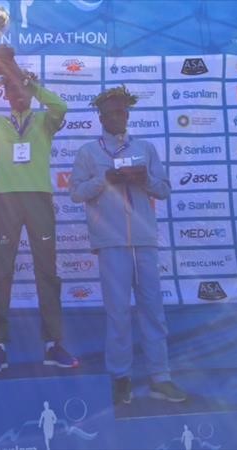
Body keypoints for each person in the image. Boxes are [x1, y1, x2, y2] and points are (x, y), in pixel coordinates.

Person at [0, 46, 78, 373]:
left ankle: (53, 344)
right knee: (2, 273)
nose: (19, 94)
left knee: (47, 272)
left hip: (39, 200)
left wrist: (29, 81)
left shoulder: (45, 121)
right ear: (5, 95)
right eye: (12, 90)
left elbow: (61, 106)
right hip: (6, 202)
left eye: (22, 89)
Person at [69, 85, 187, 404]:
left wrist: (143, 179)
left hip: (145, 240)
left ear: (128, 114)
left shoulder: (145, 148)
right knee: (118, 313)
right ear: (101, 117)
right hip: (111, 242)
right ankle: (120, 377)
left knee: (153, 310)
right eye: (112, 113)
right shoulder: (88, 152)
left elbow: (164, 189)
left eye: (123, 111)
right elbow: (76, 193)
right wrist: (103, 180)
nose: (118, 117)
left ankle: (160, 377)